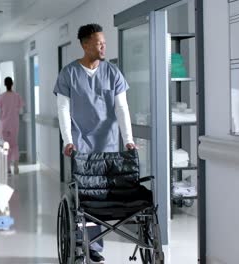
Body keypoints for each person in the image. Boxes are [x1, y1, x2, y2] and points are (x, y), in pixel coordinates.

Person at [53, 23, 136, 263]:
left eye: (104, 42)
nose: (103, 46)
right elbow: (63, 108)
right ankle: (85, 244)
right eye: (99, 42)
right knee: (84, 197)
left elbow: (122, 108)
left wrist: (128, 139)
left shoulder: (112, 72)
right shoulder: (69, 73)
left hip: (107, 145)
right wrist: (68, 140)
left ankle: (95, 245)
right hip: (80, 145)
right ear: (85, 44)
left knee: (101, 196)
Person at [0, 77, 24, 174]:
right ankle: (16, 164)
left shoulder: (1, 97)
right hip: (14, 124)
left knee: (5, 146)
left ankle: (8, 168)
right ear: (12, 84)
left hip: (4, 124)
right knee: (14, 145)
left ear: (4, 84)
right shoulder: (17, 96)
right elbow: (21, 111)